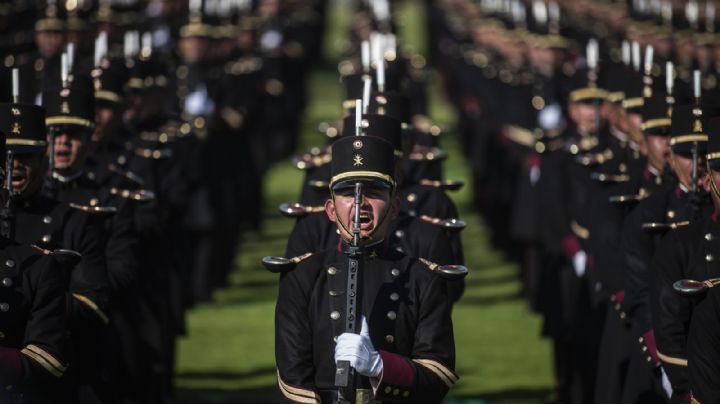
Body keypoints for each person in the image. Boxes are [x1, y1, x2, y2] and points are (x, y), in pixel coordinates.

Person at [274, 135, 458, 403]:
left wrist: (381, 367)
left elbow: (438, 374)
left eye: (374, 192)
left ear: (395, 207)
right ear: (330, 209)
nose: (360, 203)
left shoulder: (422, 278)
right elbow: (292, 377)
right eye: (348, 193)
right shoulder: (302, 276)